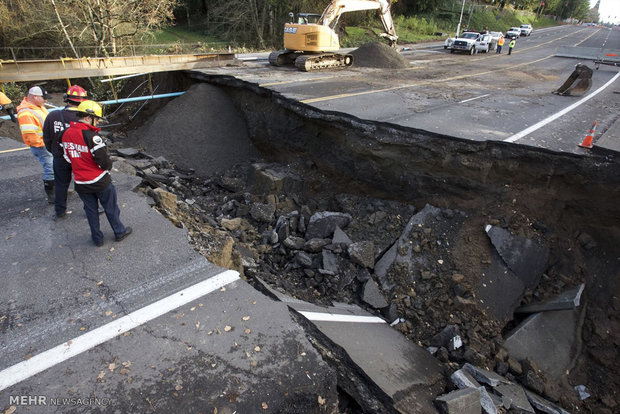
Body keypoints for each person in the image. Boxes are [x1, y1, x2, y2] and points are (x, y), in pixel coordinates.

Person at [61, 100, 132, 247]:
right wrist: (107, 167)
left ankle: (97, 239)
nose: (97, 122)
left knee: (91, 211)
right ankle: (119, 232)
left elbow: (67, 158)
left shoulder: (66, 133)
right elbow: (104, 162)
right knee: (110, 207)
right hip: (99, 180)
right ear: (88, 117)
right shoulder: (92, 137)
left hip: (81, 183)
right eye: (97, 119)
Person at [43, 85, 88, 219]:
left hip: (60, 156)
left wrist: (55, 151)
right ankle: (92, 208)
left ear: (66, 99)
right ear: (83, 100)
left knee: (61, 184)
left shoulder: (53, 115)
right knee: (84, 183)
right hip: (78, 156)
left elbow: (47, 137)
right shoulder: (84, 117)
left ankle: (60, 211)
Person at [16, 86, 54, 203]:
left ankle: (58, 188)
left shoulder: (38, 107)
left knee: (55, 166)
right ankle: (52, 195)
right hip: (41, 146)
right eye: (44, 98)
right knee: (50, 168)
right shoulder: (26, 113)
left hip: (47, 143)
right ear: (34, 96)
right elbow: (30, 135)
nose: (46, 100)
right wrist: (45, 144)